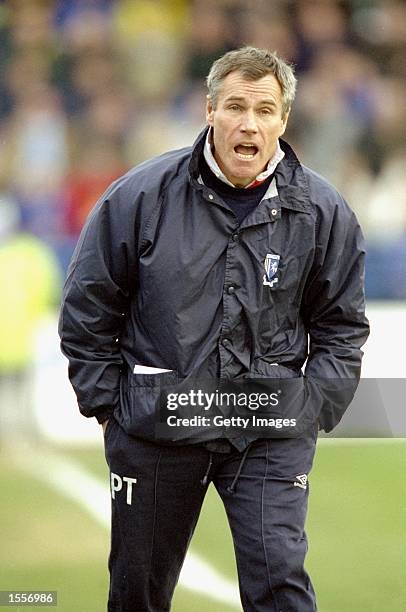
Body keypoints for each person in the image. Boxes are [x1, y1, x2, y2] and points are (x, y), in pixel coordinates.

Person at [59, 46, 369, 612]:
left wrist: (313, 407)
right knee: (138, 592)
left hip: (269, 430)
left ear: (283, 121)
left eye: (264, 109)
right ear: (209, 111)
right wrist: (111, 405)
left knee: (281, 582)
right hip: (158, 426)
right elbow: (89, 304)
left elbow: (342, 327)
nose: (248, 122)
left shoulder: (324, 211)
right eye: (235, 106)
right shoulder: (140, 195)